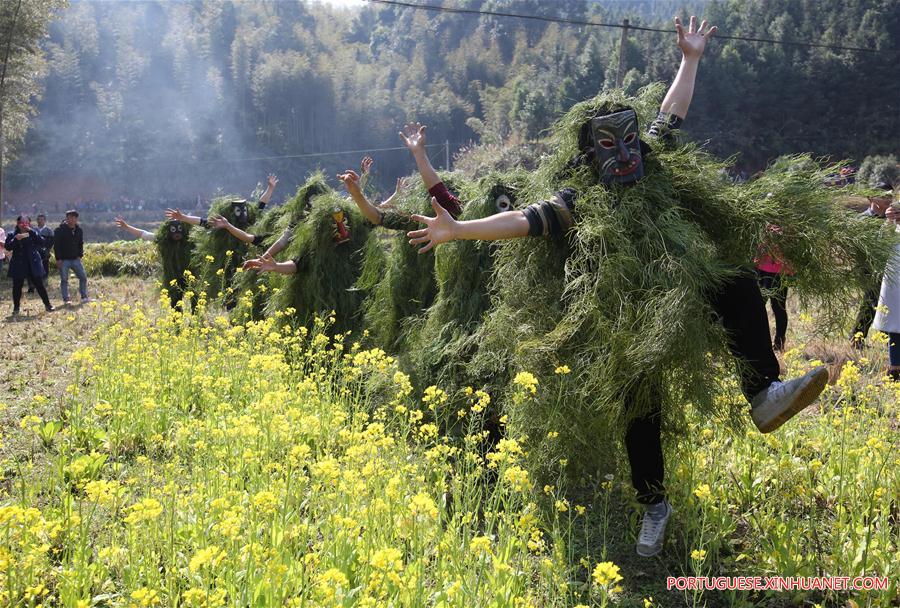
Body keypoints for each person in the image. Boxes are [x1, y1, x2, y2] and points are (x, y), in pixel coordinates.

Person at [406, 16, 829, 558]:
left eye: (630, 141)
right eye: (611, 146)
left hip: (681, 284)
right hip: (626, 315)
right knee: (639, 405)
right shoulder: (576, 200)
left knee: (734, 277)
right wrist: (459, 229)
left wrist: (691, 58)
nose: (628, 155)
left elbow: (668, 115)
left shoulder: (648, 161)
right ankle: (654, 506)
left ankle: (762, 393)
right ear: (588, 156)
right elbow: (524, 221)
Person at [850, 181, 893, 348]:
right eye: (883, 196)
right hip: (867, 269)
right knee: (872, 301)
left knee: (882, 303)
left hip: (889, 269)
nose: (888, 200)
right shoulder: (862, 220)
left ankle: (885, 339)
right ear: (871, 198)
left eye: (890, 196)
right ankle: (858, 338)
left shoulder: (893, 221)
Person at [872, 203, 900, 381]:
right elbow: (880, 244)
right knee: (895, 325)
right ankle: (895, 367)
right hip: (895, 279)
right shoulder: (893, 227)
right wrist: (889, 221)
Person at [5, 216, 54, 315]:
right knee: (17, 287)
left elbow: (42, 242)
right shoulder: (12, 234)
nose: (24, 225)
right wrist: (16, 239)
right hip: (18, 263)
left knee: (39, 285)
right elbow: (8, 247)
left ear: (30, 223)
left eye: (26, 223)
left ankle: (48, 305)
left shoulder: (33, 232)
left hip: (33, 262)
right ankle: (16, 308)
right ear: (18, 224)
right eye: (22, 223)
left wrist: (30, 231)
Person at [755, 224, 792, 351]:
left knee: (778, 307)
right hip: (762, 269)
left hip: (780, 272)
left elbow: (786, 249)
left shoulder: (788, 225)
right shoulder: (764, 221)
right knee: (757, 307)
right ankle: (758, 341)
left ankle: (779, 344)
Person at [54, 210, 89, 305]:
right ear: (67, 218)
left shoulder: (79, 230)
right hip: (64, 260)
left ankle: (84, 296)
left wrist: (80, 255)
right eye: (70, 217)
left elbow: (80, 243)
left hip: (75, 259)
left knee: (83, 277)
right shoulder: (59, 230)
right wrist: (58, 259)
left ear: (76, 219)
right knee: (64, 280)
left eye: (74, 217)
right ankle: (66, 299)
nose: (72, 219)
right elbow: (56, 245)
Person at [27, 214, 54, 293]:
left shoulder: (49, 230)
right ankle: (32, 285)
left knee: (45, 267)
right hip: (35, 252)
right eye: (39, 219)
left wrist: (47, 249)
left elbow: (51, 241)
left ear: (44, 220)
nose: (40, 221)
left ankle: (44, 283)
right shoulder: (33, 230)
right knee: (34, 268)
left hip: (45, 252)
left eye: (42, 219)